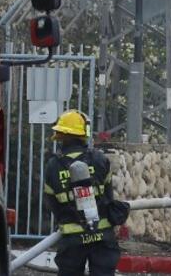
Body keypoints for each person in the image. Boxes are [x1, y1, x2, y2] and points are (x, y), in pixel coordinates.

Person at [43, 110, 125, 275]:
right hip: (102, 236)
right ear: (83, 135)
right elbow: (109, 197)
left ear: (61, 137)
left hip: (72, 240)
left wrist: (66, 218)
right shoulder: (100, 159)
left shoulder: (53, 166)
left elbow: (51, 203)